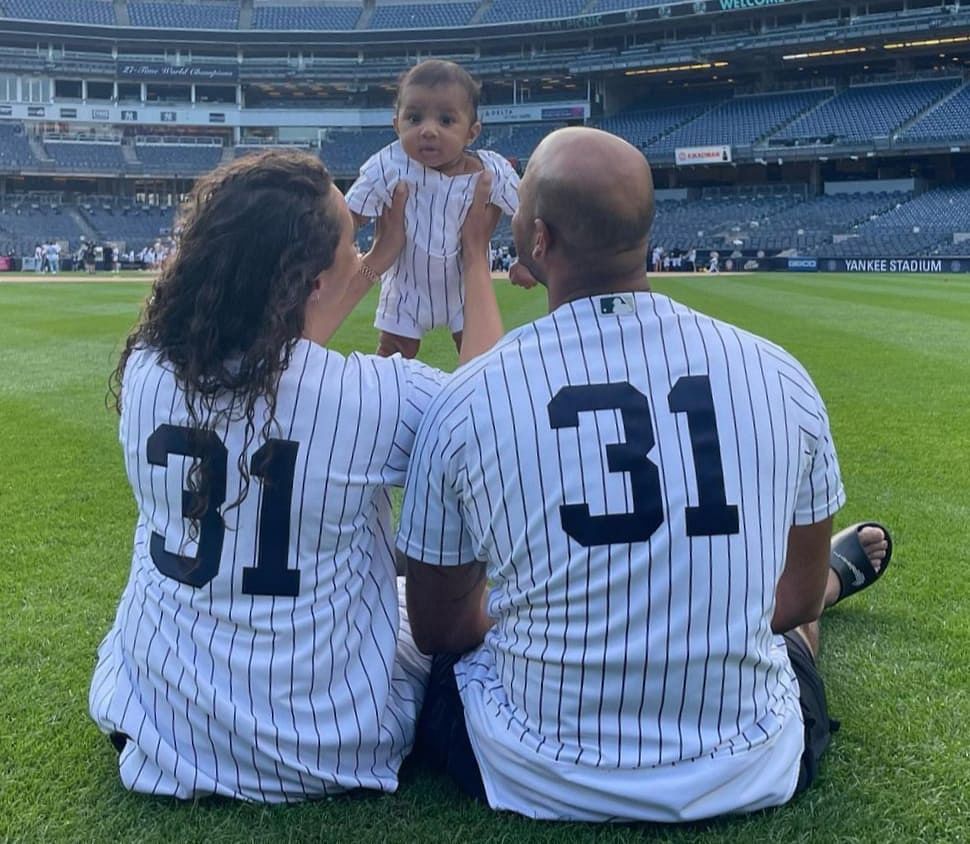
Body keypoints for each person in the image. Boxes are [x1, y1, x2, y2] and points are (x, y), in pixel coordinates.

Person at [397, 127, 894, 822]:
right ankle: (842, 578)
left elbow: (440, 630)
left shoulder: (472, 394)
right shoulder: (778, 372)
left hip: (532, 767)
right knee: (791, 629)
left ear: (540, 241)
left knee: (437, 655)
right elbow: (793, 599)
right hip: (748, 761)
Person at [89, 149, 504, 803]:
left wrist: (372, 264)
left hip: (160, 727)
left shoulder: (148, 368)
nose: (359, 252)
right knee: (428, 600)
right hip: (332, 742)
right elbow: (491, 402)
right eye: (351, 243)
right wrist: (474, 255)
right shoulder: (369, 398)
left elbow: (288, 354)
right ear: (311, 283)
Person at [345, 59, 521, 359]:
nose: (427, 130)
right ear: (396, 124)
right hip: (406, 287)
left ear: (472, 132)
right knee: (392, 357)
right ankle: (387, 403)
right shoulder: (388, 165)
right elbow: (348, 215)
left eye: (446, 120)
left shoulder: (492, 171)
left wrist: (528, 260)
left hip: (466, 287)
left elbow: (528, 214)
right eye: (414, 118)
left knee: (479, 360)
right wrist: (334, 252)